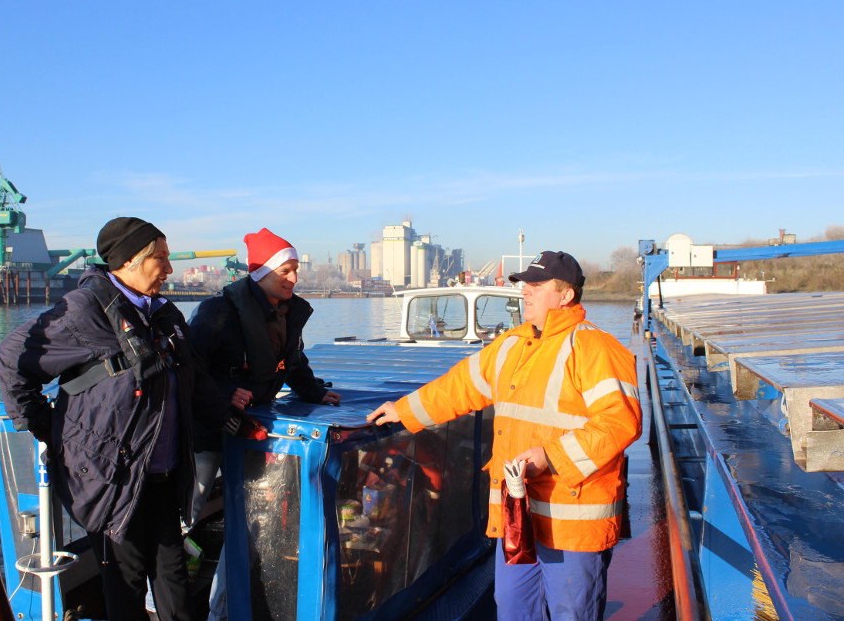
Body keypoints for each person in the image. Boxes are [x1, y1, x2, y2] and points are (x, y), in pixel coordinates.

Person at [367, 250, 641, 621]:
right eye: (524, 284)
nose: (525, 291)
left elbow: (620, 422)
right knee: (513, 607)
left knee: (571, 612)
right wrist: (403, 411)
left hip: (572, 522)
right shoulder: (511, 345)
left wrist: (550, 457)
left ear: (566, 295)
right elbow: (459, 387)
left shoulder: (596, 348)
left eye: (537, 285)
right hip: (517, 515)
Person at [0, 217, 227, 621]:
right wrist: (46, 426)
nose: (169, 269)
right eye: (160, 259)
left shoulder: (165, 314)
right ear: (128, 261)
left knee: (173, 580)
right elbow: (13, 357)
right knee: (126, 586)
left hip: (163, 476)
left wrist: (235, 417)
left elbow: (194, 378)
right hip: (113, 481)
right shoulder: (84, 310)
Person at [188, 227, 342, 620]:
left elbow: (292, 360)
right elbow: (187, 368)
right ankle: (158, 598)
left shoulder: (288, 313)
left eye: (295, 269)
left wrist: (312, 391)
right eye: (285, 271)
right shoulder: (218, 313)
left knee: (250, 516)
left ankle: (222, 608)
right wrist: (225, 392)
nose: (294, 278)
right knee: (186, 511)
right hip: (207, 427)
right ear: (261, 273)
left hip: (249, 430)